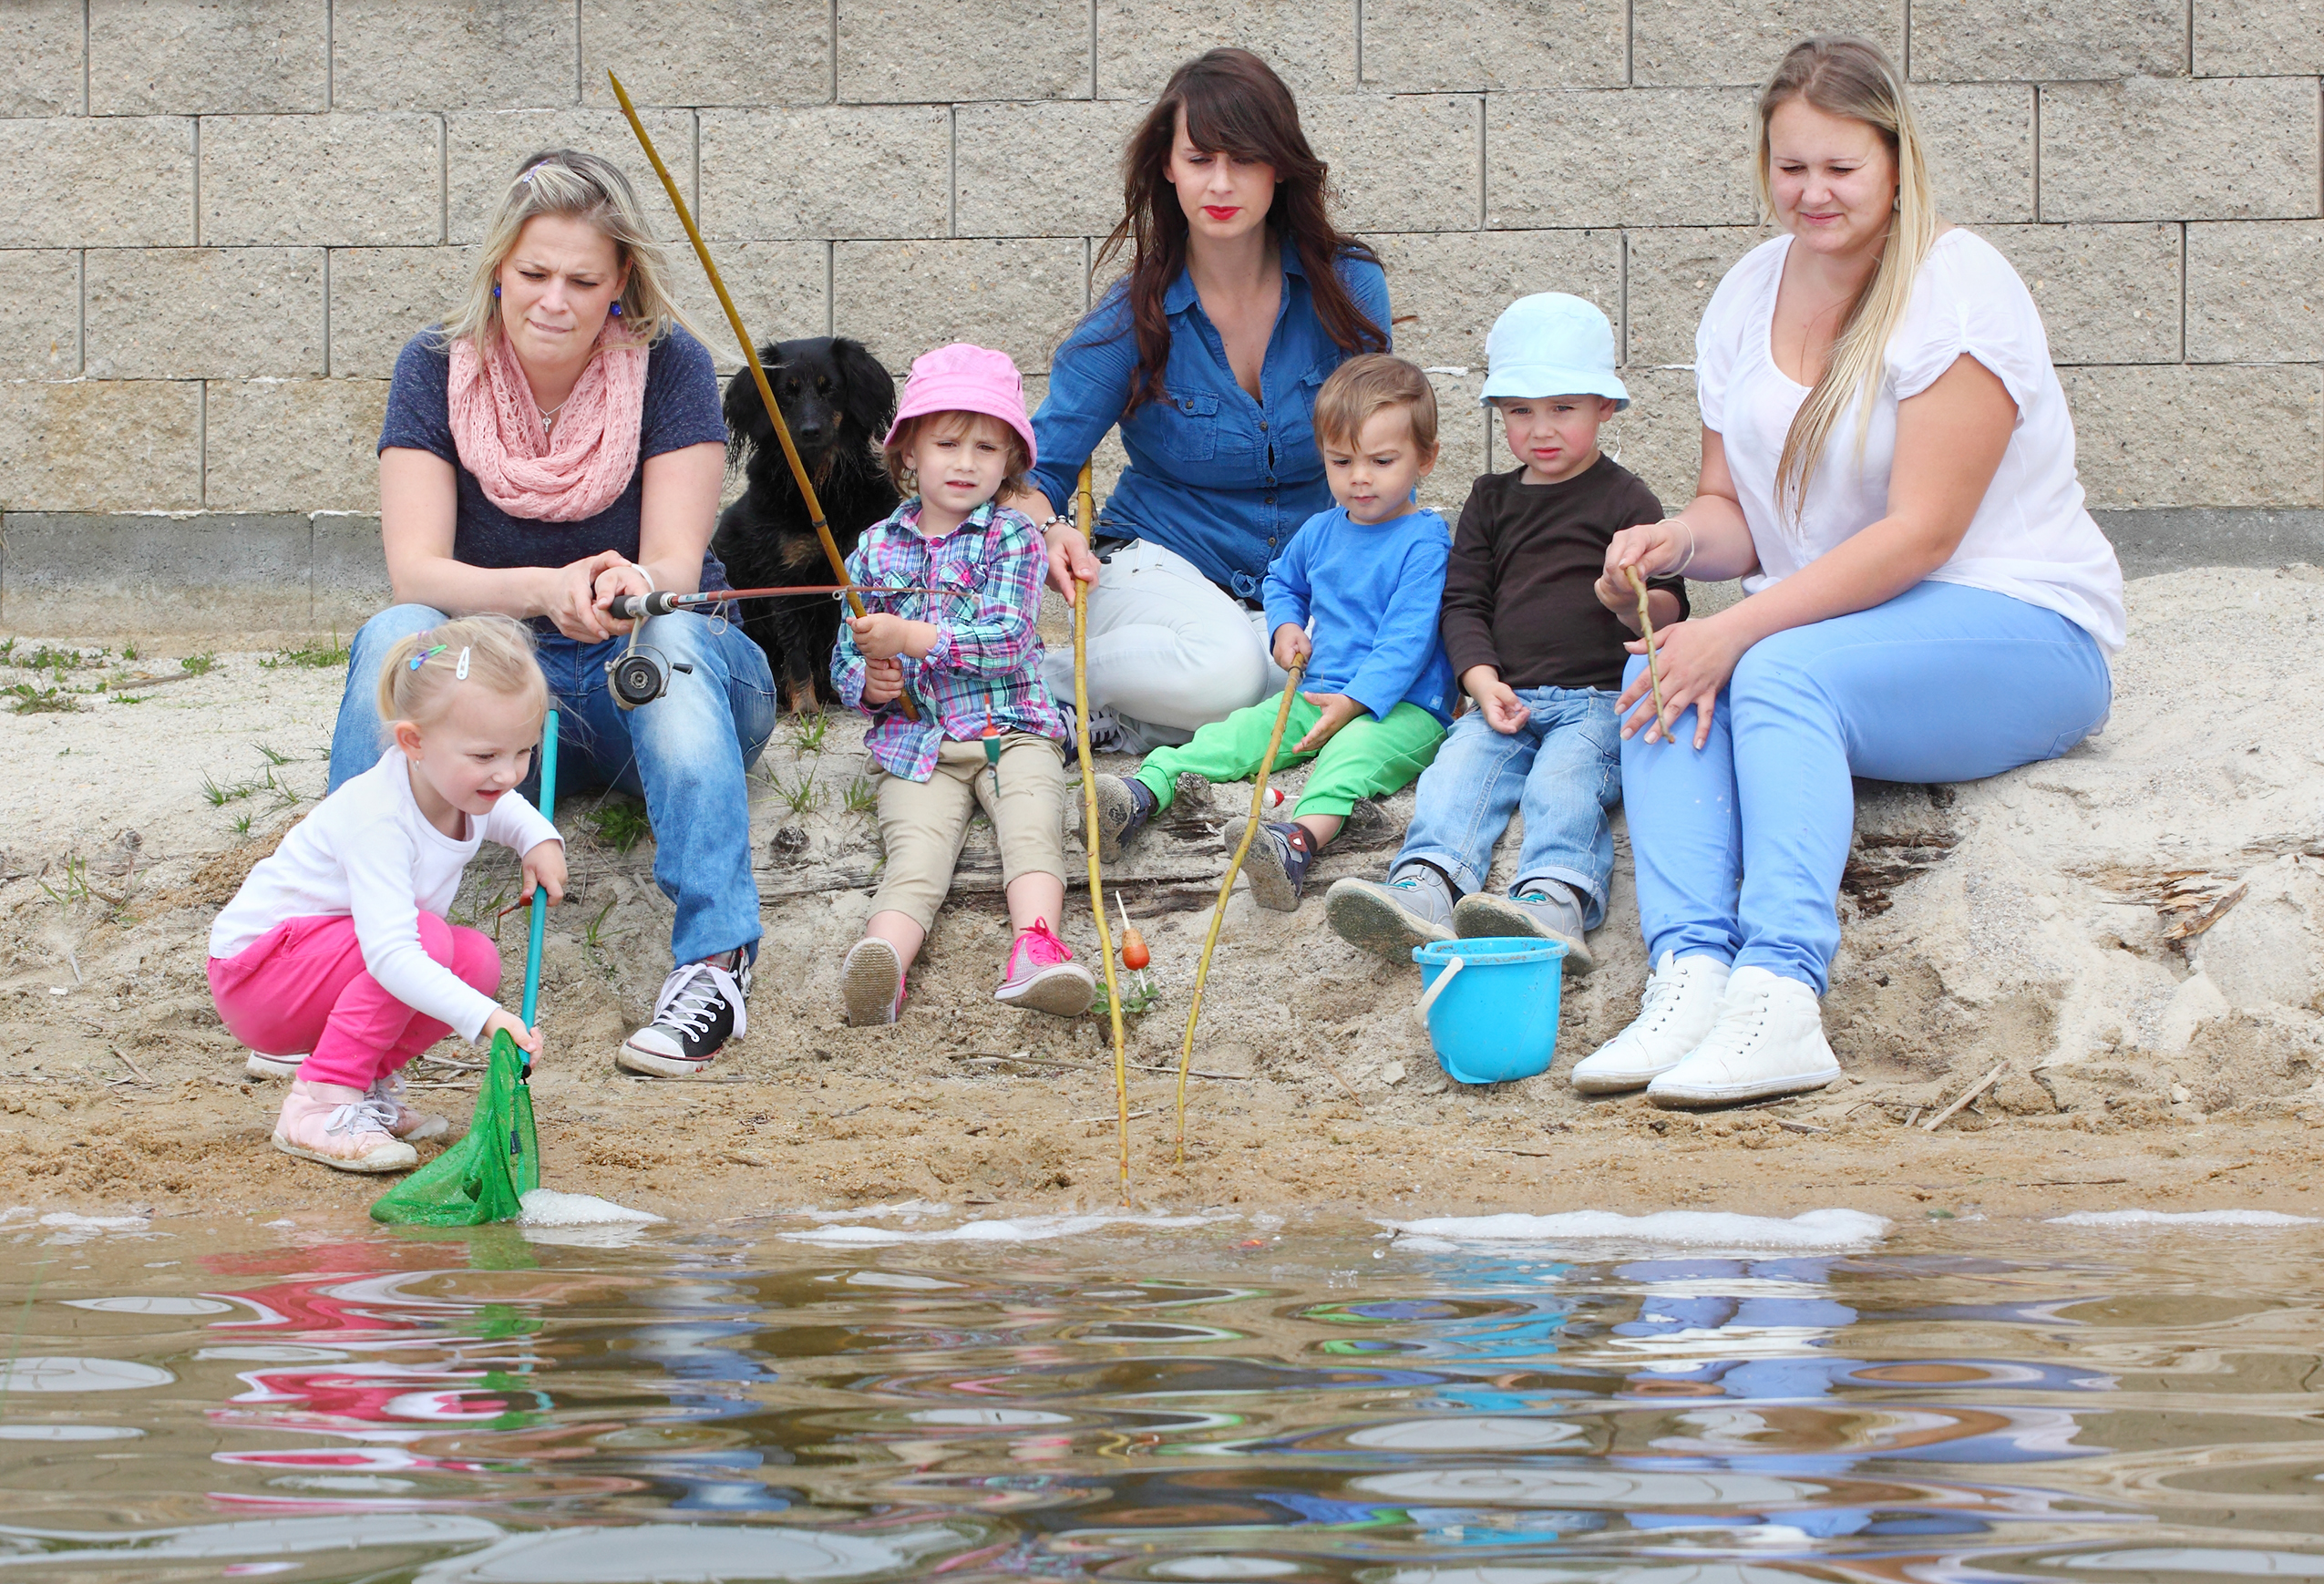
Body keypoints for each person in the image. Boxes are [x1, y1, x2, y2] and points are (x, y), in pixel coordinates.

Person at [1575, 36, 2123, 1107]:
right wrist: (1673, 547)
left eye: (1840, 167)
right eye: (1791, 167)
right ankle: (1691, 975)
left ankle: (1784, 995)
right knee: (1653, 677)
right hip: (1851, 628)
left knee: (1771, 671)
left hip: (2025, 625)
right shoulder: (1745, 294)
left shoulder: (1955, 285)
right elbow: (1734, 513)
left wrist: (1738, 629)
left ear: (1895, 161)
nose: (1812, 192)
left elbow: (1922, 532)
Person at [324, 149, 776, 1083]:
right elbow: (416, 566)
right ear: (498, 268)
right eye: (533, 274)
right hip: (495, 703)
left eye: (583, 280)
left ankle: (715, 966)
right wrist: (540, 588)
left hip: (645, 678)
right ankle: (340, 954)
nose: (553, 300)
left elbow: (677, 566)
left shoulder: (672, 363)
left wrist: (622, 585)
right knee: (394, 630)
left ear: (621, 284)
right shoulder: (431, 366)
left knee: (680, 630)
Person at [1002, 47, 1392, 752]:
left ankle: (1121, 721)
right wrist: (1047, 526)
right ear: (1168, 168)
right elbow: (1033, 473)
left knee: (1357, 678)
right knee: (1230, 674)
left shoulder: (1348, 290)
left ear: (1279, 167)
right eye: (1200, 158)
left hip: (1298, 584)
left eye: (1243, 159)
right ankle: (1037, 681)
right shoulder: (1129, 319)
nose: (1221, 182)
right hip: (1158, 568)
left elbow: (1382, 448)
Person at [1326, 294, 1684, 972]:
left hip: (1598, 699)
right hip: (1507, 694)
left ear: (1604, 408)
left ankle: (1554, 900)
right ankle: (1425, 886)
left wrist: (1626, 599)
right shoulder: (1491, 500)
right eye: (1520, 411)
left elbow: (1668, 609)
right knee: (1457, 771)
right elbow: (1463, 603)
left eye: (1563, 409)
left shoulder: (1626, 500)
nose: (1541, 430)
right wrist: (1482, 681)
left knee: (1565, 783)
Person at [1089, 355, 1453, 911]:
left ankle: (1296, 842)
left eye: (1382, 461)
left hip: (1401, 707)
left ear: (1425, 458)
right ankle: (1146, 788)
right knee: (1245, 730)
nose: (1359, 477)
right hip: (1321, 687)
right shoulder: (1322, 530)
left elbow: (1407, 640)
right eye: (1340, 460)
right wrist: (1284, 624)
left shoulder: (1424, 541)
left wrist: (1356, 703)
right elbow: (1283, 578)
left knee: (1351, 757)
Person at [211, 616, 567, 1173]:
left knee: (474, 957)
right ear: (413, 742)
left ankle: (364, 1084)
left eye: (523, 751)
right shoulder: (379, 816)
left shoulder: (455, 785)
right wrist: (489, 1019)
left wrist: (538, 839)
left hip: (318, 972)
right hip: (258, 981)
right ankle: (318, 1104)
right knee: (422, 941)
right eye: (485, 757)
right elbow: (392, 956)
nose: (509, 774)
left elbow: (506, 808)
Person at [832, 345, 1095, 1028]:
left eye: (987, 447)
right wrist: (874, 681)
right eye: (946, 443)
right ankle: (883, 961)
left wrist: (913, 639)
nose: (965, 462)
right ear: (908, 452)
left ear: (1011, 462)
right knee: (915, 858)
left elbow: (1008, 639)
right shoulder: (871, 549)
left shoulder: (1013, 537)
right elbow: (844, 663)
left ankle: (1035, 949)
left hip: (1011, 730)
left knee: (1033, 827)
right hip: (916, 743)